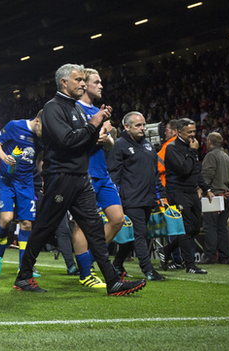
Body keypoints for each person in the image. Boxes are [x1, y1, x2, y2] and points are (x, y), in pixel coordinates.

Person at [14, 64, 146, 296]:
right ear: (64, 82)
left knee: (94, 229)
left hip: (80, 176)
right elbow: (66, 140)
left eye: (84, 80)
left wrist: (98, 129)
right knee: (45, 228)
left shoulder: (74, 108)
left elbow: (83, 141)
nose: (83, 84)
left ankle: (112, 281)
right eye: (78, 80)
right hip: (61, 176)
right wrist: (93, 124)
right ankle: (24, 277)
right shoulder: (52, 108)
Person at [74, 68, 126, 279]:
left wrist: (107, 138)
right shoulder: (74, 109)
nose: (101, 85)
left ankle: (91, 257)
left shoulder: (98, 111)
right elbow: (73, 141)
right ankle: (86, 273)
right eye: (97, 82)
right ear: (85, 85)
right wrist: (95, 137)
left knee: (118, 219)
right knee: (81, 224)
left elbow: (110, 145)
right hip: (83, 173)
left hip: (102, 173)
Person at [107, 111, 166, 281]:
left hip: (148, 197)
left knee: (134, 236)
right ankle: (148, 270)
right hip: (131, 199)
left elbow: (155, 173)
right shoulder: (119, 145)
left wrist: (161, 192)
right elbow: (114, 174)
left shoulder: (148, 146)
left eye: (143, 124)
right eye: (138, 125)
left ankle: (117, 264)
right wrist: (113, 198)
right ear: (126, 127)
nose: (143, 128)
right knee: (141, 235)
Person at [0, 111, 44, 277]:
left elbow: (39, 159)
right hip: (6, 180)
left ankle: (23, 268)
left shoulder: (42, 138)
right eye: (45, 128)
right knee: (6, 219)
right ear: (37, 120)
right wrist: (5, 157)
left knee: (27, 224)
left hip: (26, 184)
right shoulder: (15, 125)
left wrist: (43, 178)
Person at [160, 118, 214, 274]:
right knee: (184, 228)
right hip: (177, 191)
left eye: (194, 131)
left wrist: (206, 188)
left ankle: (166, 250)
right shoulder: (172, 148)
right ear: (179, 131)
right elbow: (184, 169)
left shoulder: (191, 147)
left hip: (191, 191)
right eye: (189, 132)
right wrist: (193, 151)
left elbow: (195, 171)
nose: (192, 134)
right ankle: (190, 265)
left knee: (195, 229)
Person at [200, 132, 229, 264]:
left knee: (210, 226)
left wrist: (203, 189)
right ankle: (225, 256)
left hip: (213, 196)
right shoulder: (226, 156)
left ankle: (210, 255)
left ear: (209, 142)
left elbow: (207, 176)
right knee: (222, 227)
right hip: (226, 195)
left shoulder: (211, 155)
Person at [158, 120, 178, 187]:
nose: (165, 133)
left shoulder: (168, 146)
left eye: (167, 130)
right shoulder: (184, 144)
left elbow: (156, 167)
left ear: (175, 131)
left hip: (168, 186)